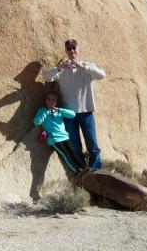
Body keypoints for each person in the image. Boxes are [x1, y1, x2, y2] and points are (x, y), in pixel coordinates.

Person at [42, 39, 105, 170]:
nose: (72, 51)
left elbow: (101, 75)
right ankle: (83, 173)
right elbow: (46, 77)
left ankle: (96, 173)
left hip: (86, 112)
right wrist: (59, 67)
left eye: (74, 48)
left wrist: (83, 67)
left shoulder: (86, 67)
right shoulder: (62, 69)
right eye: (69, 49)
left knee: (92, 146)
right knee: (75, 147)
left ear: (78, 49)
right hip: (68, 115)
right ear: (66, 51)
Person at [33, 90, 87, 175]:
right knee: (65, 155)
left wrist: (59, 110)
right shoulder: (42, 110)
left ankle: (85, 169)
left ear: (56, 102)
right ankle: (78, 172)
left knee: (73, 152)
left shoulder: (58, 111)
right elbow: (37, 122)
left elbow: (72, 114)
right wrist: (46, 112)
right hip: (54, 139)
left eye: (53, 100)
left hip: (65, 136)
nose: (50, 101)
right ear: (45, 100)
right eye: (49, 99)